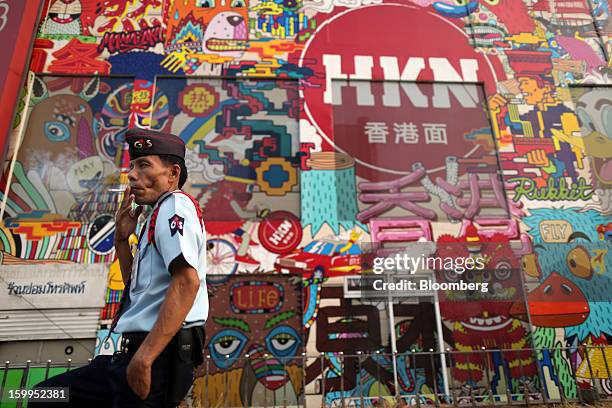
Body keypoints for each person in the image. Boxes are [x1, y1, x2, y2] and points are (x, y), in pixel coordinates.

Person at [30, 128, 208, 407]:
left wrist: (145, 357)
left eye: (144, 165)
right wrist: (122, 239)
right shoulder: (155, 215)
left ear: (173, 174)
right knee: (46, 395)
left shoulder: (175, 206)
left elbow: (187, 282)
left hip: (156, 355)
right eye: (133, 166)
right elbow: (139, 291)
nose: (132, 174)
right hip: (130, 354)